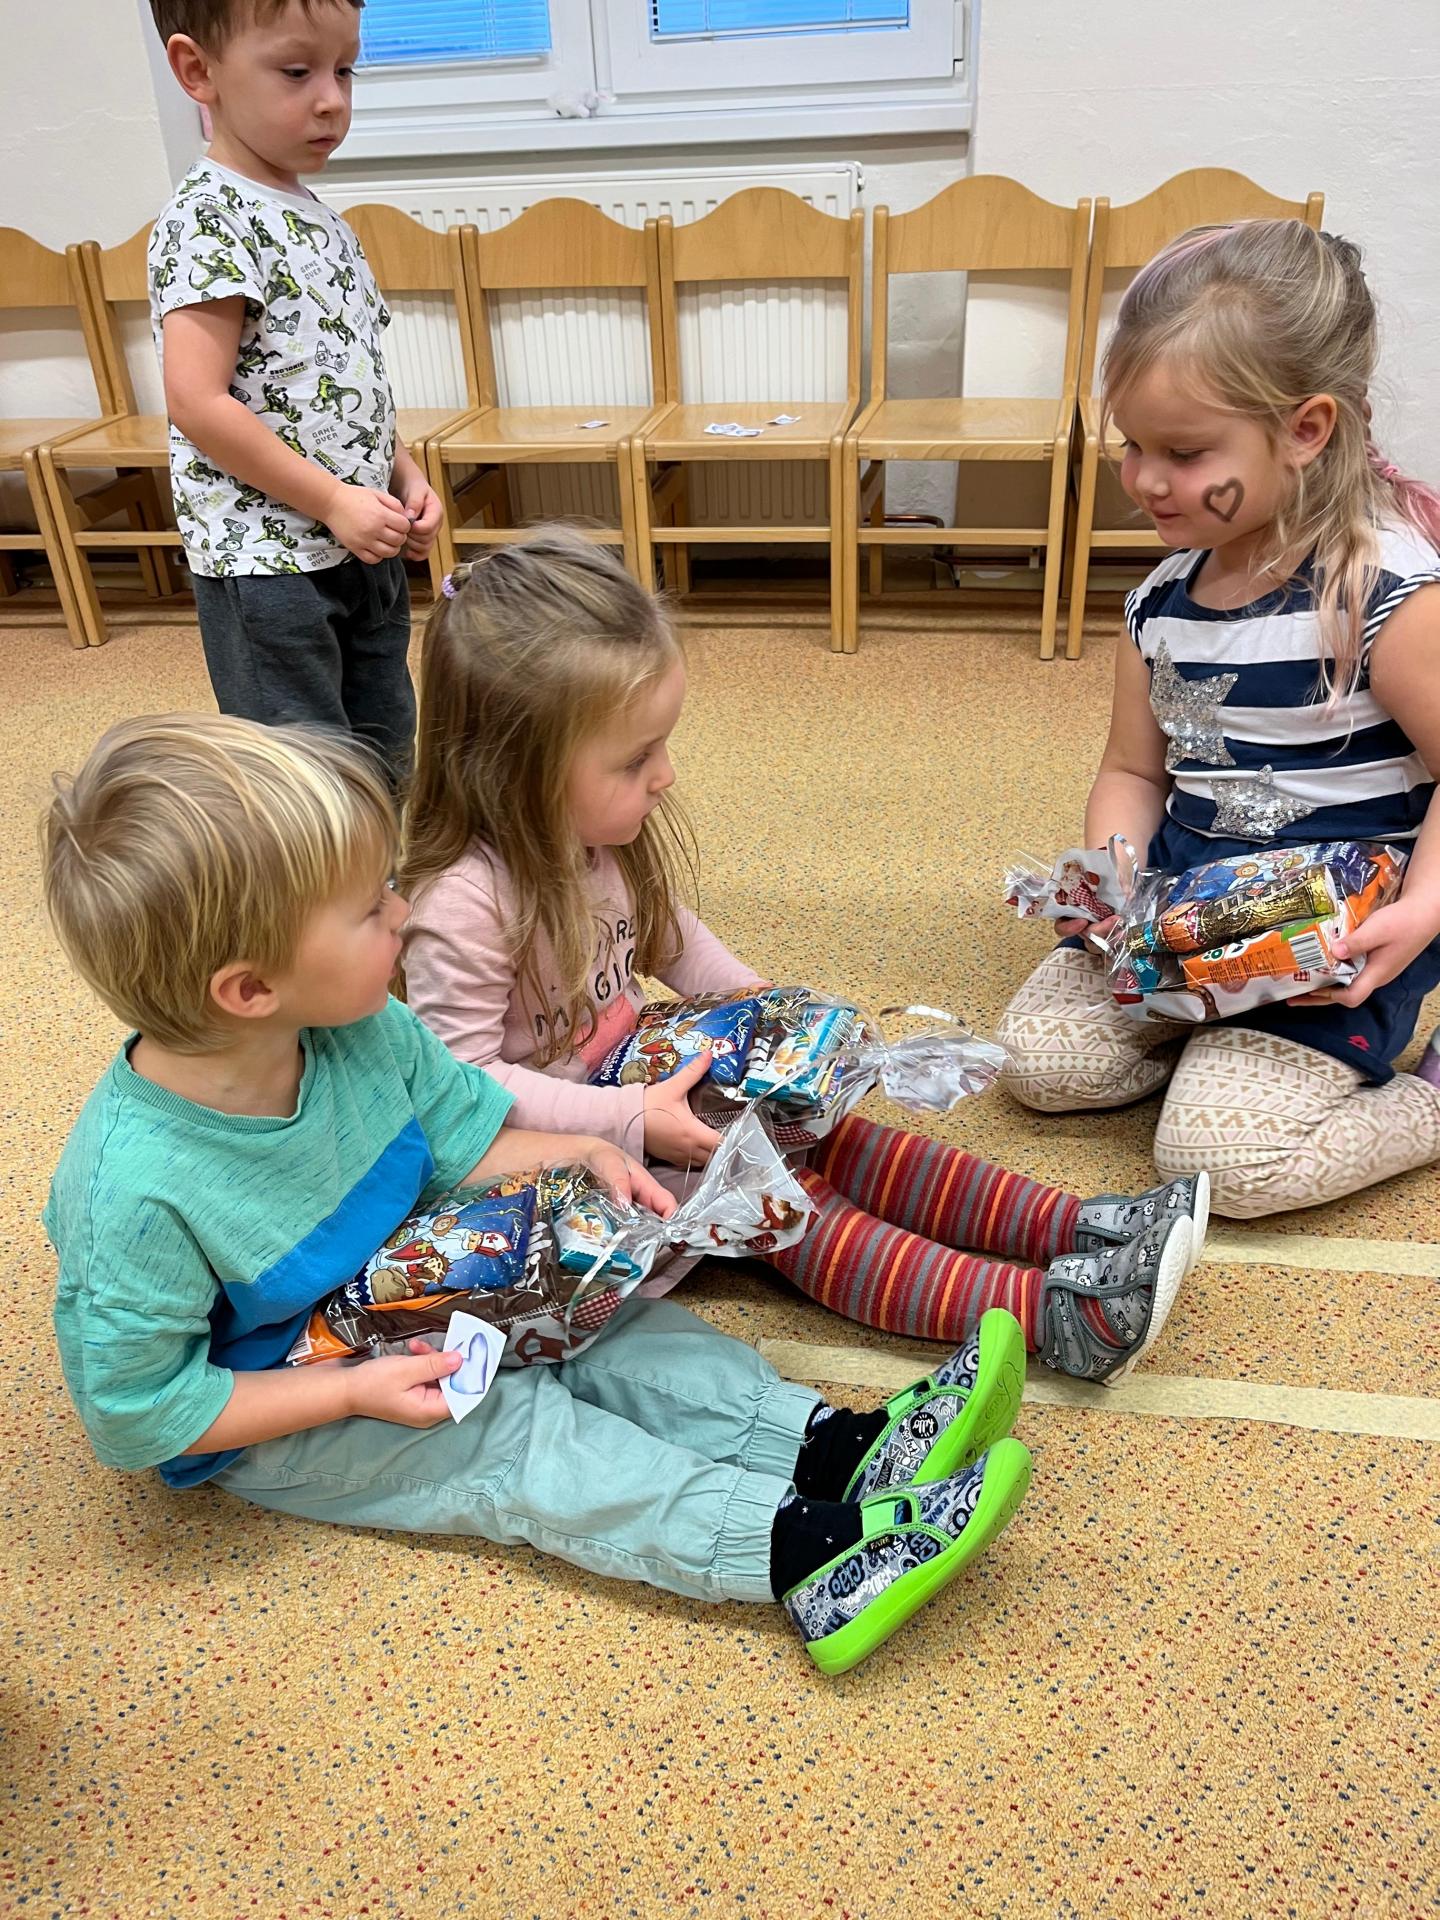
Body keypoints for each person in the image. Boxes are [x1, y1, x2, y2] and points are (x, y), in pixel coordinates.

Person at [41, 713, 1035, 1676]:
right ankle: (806, 1559)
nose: (402, 913)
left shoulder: (359, 1027)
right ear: (249, 990)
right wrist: (347, 1390)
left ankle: (835, 1450)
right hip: (280, 1404)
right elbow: (139, 1413)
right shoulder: (134, 1192)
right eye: (370, 908)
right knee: (515, 1438)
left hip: (404, 1292)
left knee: (614, 1328)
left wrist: (585, 1148)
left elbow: (462, 1133)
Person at [398, 530, 1205, 1387]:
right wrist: (629, 1118)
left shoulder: (596, 837)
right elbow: (461, 1089)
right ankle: (1056, 1317)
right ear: (514, 771)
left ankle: (1079, 1226)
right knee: (782, 1202)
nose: (664, 776)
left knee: (836, 1135)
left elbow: (671, 937)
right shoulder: (461, 905)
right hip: (564, 1156)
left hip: (646, 1087)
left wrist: (763, 1004)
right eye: (635, 759)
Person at [997, 221, 1440, 1218]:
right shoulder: (1159, 603)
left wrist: (1420, 914)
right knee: (1037, 1066)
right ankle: (1208, 1037)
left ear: (1306, 430)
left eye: (1186, 453)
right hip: (1186, 904)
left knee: (1222, 1166)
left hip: (1330, 934)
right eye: (1133, 447)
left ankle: (1423, 1096)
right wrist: (1110, 880)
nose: (1145, 480)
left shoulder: (1387, 594)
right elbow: (1133, 770)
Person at [146, 0, 443, 779]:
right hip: (267, 561)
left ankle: (377, 864)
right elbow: (197, 402)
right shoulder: (207, 219)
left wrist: (403, 475)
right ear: (197, 71)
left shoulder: (323, 220)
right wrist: (334, 499)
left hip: (359, 539)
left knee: (385, 744)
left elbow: (346, 377)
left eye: (345, 70)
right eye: (297, 71)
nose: (332, 99)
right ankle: (331, 869)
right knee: (302, 771)